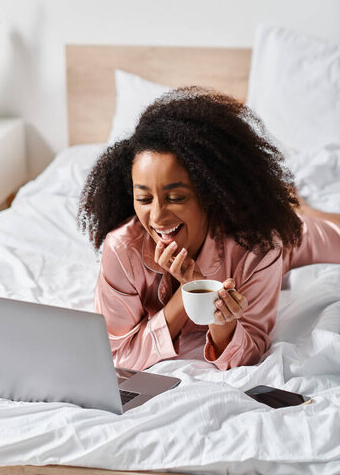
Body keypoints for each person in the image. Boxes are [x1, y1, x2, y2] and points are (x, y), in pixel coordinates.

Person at [78, 87, 340, 371]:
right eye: (143, 198)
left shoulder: (260, 243)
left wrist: (223, 326)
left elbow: (251, 349)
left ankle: (300, 207)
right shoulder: (121, 249)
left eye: (176, 198)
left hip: (279, 238)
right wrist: (190, 293)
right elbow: (117, 356)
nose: (157, 216)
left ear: (211, 194)